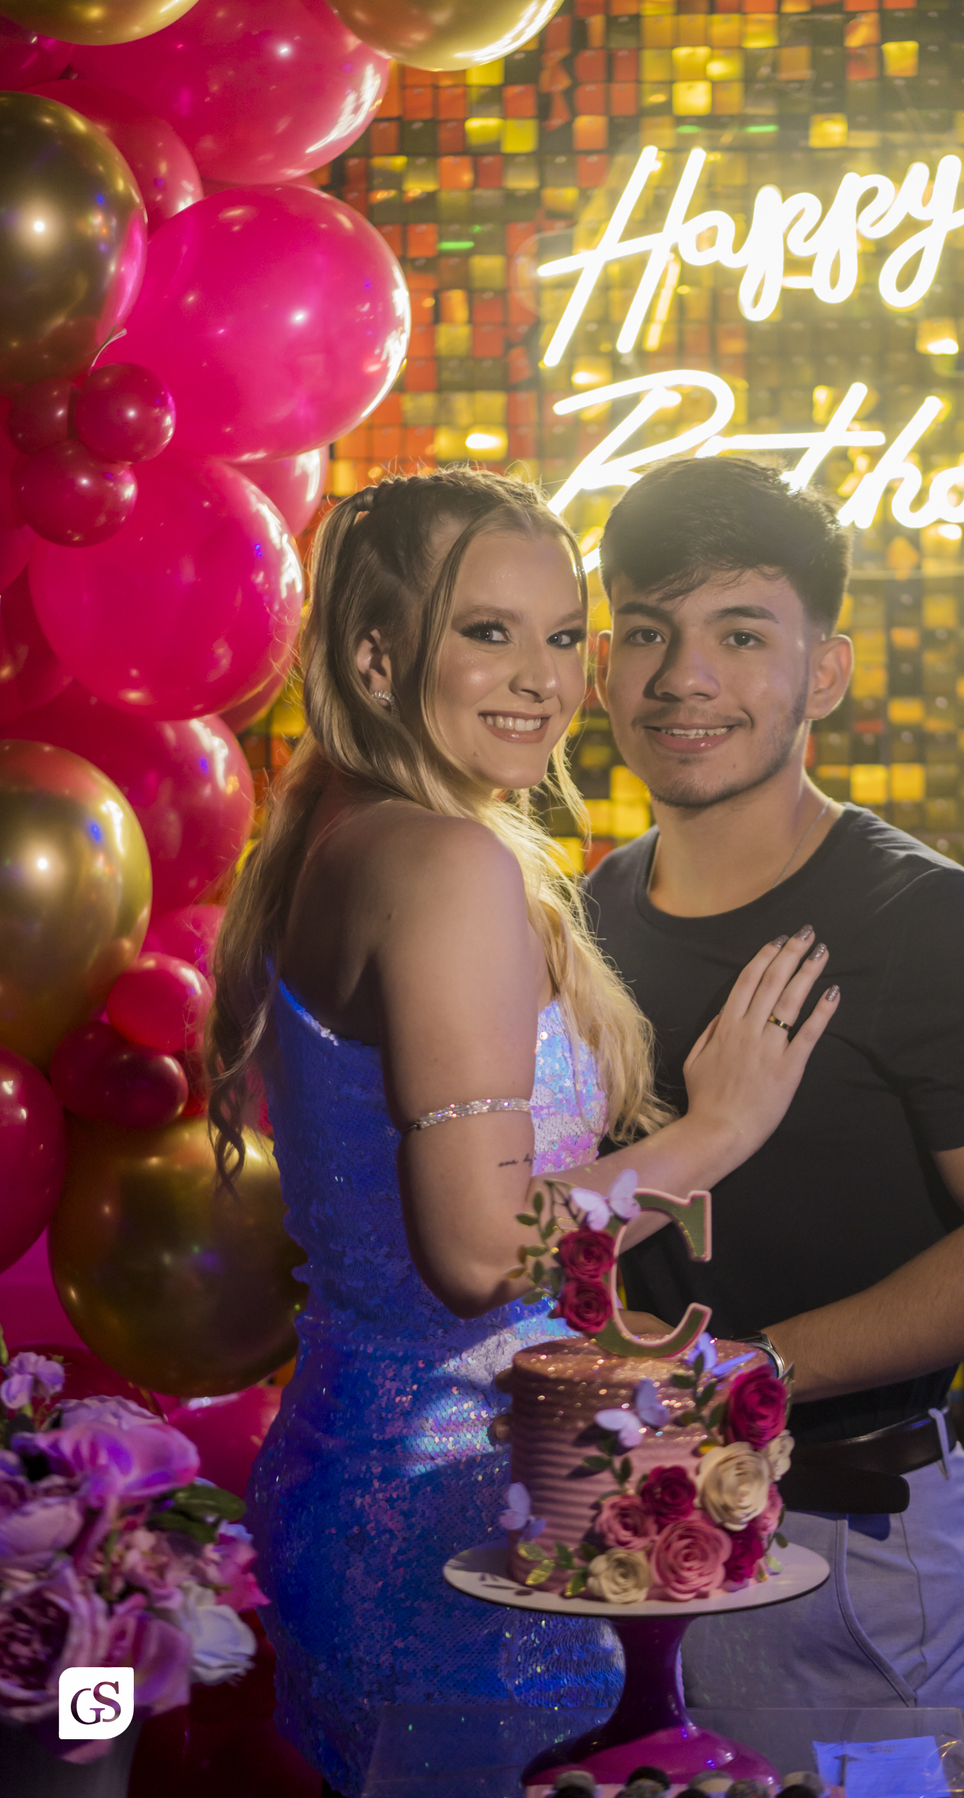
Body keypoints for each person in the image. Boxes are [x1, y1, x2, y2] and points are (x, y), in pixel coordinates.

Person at [205, 469, 841, 1798]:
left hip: (356, 1476)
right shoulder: (443, 864)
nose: (542, 680)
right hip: (454, 1533)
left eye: (561, 636)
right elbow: (480, 1252)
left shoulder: (336, 832)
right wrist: (716, 1132)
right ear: (377, 658)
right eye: (487, 631)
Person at [583, 456, 964, 1772]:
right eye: (647, 630)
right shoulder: (587, 916)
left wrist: (743, 1378)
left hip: (848, 1544)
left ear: (825, 673)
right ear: (602, 666)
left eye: (742, 635)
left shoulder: (929, 924)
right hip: (611, 1534)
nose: (683, 677)